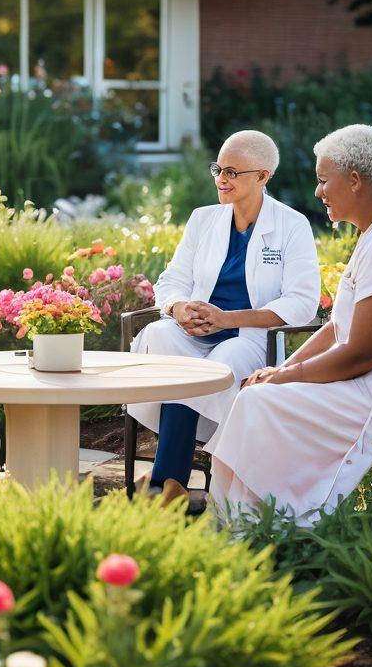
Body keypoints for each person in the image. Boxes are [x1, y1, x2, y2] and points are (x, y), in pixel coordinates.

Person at [207, 124, 372, 526]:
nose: (318, 191)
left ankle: (268, 525)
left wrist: (285, 378)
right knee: (257, 396)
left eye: (323, 180)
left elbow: (361, 354)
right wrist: (282, 370)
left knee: (263, 402)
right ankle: (243, 522)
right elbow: (335, 329)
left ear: (356, 180)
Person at [128, 130, 320, 510]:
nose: (221, 179)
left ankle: (169, 482)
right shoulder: (204, 219)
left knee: (222, 361)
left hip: (251, 338)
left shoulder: (291, 225)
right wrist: (178, 309)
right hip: (197, 332)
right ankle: (173, 487)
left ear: (262, 176)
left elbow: (302, 303)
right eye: (218, 168)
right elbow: (173, 280)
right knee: (161, 336)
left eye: (232, 171)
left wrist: (226, 318)